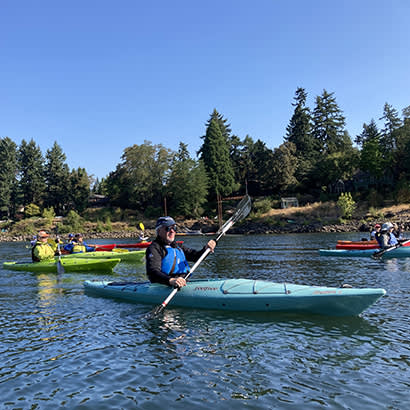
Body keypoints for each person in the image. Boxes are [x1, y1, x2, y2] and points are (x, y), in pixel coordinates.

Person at [146, 216, 216, 288]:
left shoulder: (177, 246)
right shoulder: (155, 248)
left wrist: (206, 249)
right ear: (159, 231)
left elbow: (196, 257)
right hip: (164, 285)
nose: (172, 231)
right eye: (168, 228)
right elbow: (153, 272)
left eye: (174, 228)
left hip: (183, 283)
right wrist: (171, 280)